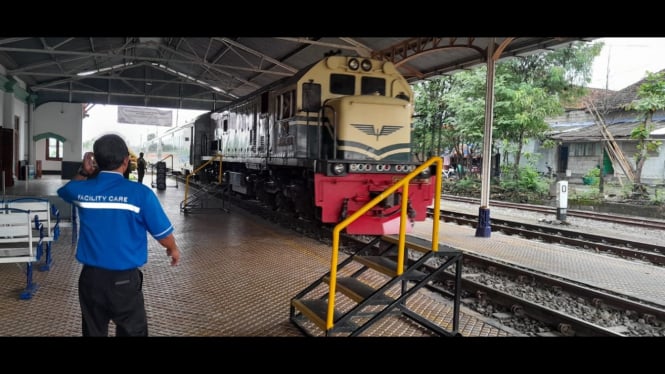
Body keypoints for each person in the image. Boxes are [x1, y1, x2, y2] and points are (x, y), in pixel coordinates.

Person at [57, 133, 180, 337]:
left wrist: (83, 172)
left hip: (91, 279)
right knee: (133, 331)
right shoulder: (140, 194)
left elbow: (65, 191)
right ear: (126, 161)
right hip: (124, 282)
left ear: (95, 161)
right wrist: (173, 249)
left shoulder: (82, 190)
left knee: (93, 331)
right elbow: (162, 234)